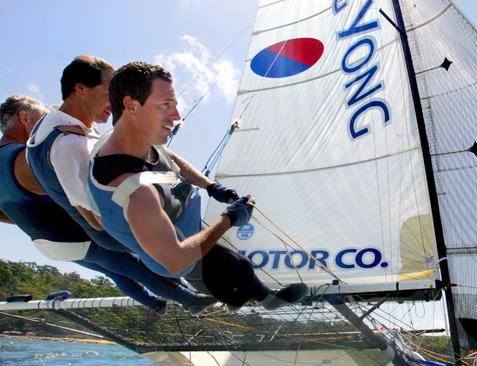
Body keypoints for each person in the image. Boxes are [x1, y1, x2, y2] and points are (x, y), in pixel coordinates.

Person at [89, 62, 307, 310]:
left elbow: (172, 160)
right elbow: (175, 259)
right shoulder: (135, 193)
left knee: (237, 268)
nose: (176, 115)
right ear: (131, 106)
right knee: (236, 268)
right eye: (165, 106)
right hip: (180, 251)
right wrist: (230, 219)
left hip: (180, 225)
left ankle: (250, 298)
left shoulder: (130, 137)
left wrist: (211, 186)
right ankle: (250, 300)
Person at [24, 56, 215, 314]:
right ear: (80, 89)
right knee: (148, 247)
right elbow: (92, 215)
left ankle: (169, 299)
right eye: (109, 92)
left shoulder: (49, 126)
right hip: (90, 234)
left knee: (127, 263)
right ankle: (196, 297)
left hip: (59, 238)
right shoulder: (70, 144)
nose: (115, 101)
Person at [0, 95, 165, 312]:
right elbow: (74, 181)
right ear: (25, 118)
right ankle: (189, 298)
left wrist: (26, 219)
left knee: (116, 270)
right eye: (44, 120)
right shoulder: (29, 156)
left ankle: (156, 304)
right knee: (136, 259)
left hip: (50, 241)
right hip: (74, 232)